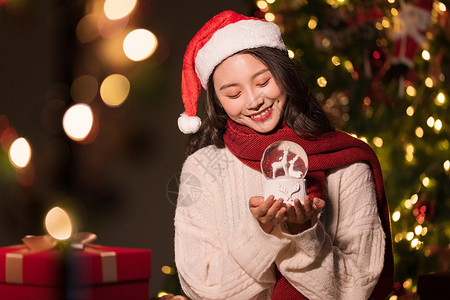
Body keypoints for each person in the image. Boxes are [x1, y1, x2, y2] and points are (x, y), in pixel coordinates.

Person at [174, 10, 393, 300]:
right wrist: (263, 231)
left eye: (264, 82)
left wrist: (304, 233)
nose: (254, 101)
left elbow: (357, 287)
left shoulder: (345, 161)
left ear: (284, 73)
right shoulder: (203, 168)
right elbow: (203, 287)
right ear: (217, 102)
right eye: (233, 94)